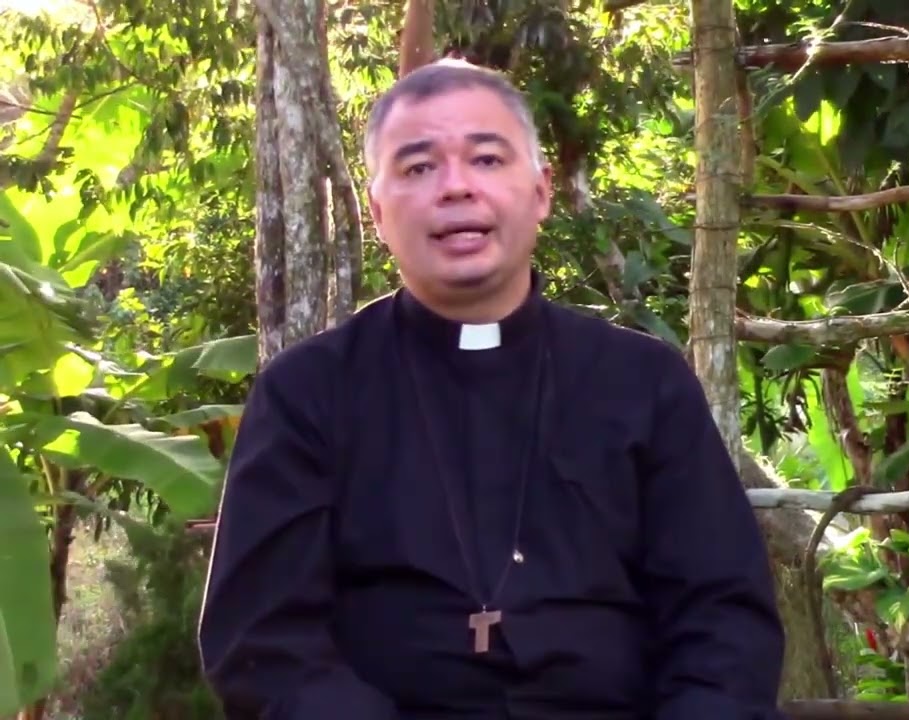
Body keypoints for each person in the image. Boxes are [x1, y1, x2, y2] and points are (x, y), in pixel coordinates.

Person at [196, 59, 786, 720]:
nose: (456, 188)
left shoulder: (644, 382)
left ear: (539, 191)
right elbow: (264, 642)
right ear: (377, 211)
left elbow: (723, 621)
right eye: (419, 168)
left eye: (485, 159)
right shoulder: (307, 394)